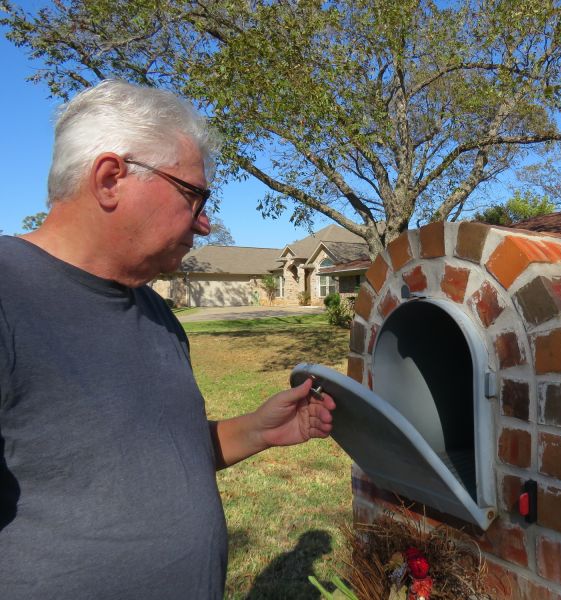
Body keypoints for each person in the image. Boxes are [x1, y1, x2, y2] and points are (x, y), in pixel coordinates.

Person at [0, 80, 336, 599]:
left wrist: (258, 431)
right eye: (193, 195)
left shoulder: (156, 313)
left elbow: (162, 453)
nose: (204, 223)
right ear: (111, 179)